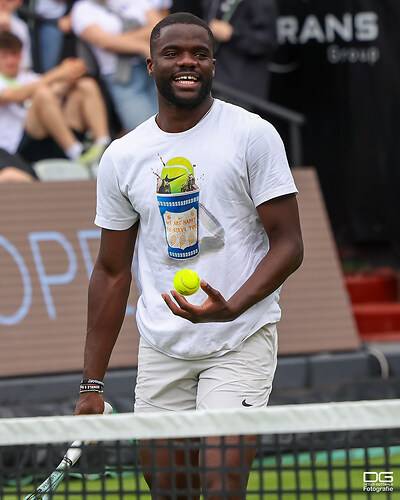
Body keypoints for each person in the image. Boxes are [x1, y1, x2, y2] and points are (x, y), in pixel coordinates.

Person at [74, 12, 303, 499]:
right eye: (173, 53)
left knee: (221, 488)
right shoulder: (123, 156)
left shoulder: (252, 135)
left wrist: (233, 306)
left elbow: (289, 243)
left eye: (199, 53)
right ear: (150, 63)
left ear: (213, 65)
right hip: (162, 347)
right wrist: (92, 386)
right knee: (170, 492)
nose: (187, 62)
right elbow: (112, 272)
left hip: (240, 337)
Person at [0, 31, 111, 167]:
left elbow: (55, 91)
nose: (11, 60)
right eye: (4, 56)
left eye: (15, 54)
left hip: (50, 135)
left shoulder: (29, 77)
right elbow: (15, 95)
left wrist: (71, 72)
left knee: (86, 85)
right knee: (42, 93)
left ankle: (103, 145)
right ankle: (77, 152)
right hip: (19, 145)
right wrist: (59, 73)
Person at [70, 0, 163, 132]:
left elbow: (160, 27)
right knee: (145, 134)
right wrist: (142, 46)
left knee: (179, 126)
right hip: (123, 79)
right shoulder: (82, 9)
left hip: (155, 71)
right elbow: (104, 42)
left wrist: (118, 40)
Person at [202, 0, 279, 99]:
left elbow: (267, 42)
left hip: (242, 89)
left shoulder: (261, 3)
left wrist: (233, 34)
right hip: (211, 80)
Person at [0, 0, 32, 70]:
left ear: (18, 2)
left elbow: (25, 65)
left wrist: (7, 32)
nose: (3, 3)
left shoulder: (21, 26)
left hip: (14, 77)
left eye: (8, 0)